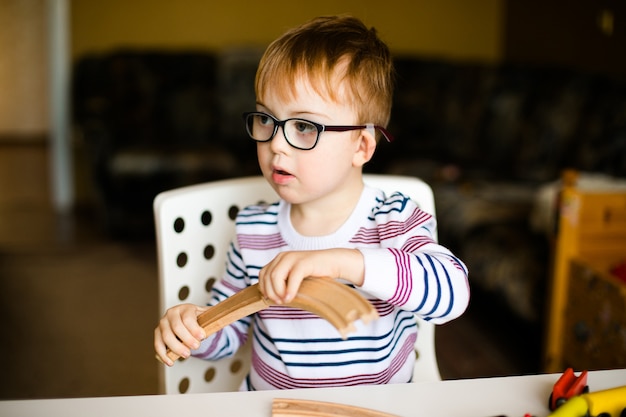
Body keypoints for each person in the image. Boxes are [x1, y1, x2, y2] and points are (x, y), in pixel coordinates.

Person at [154, 15, 470, 390]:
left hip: (373, 411)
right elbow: (231, 331)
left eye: (304, 126)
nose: (276, 144)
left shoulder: (394, 219)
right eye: (266, 120)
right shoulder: (253, 229)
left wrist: (340, 261)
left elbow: (452, 293)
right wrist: (195, 328)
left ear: (362, 146)